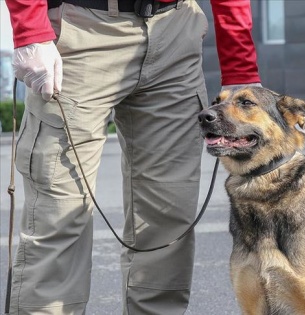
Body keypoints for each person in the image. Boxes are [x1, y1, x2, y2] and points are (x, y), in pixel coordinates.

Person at [5, 0, 260, 314]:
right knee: (59, 213)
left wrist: (240, 66)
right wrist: (30, 29)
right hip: (82, 27)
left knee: (168, 218)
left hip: (175, 33)